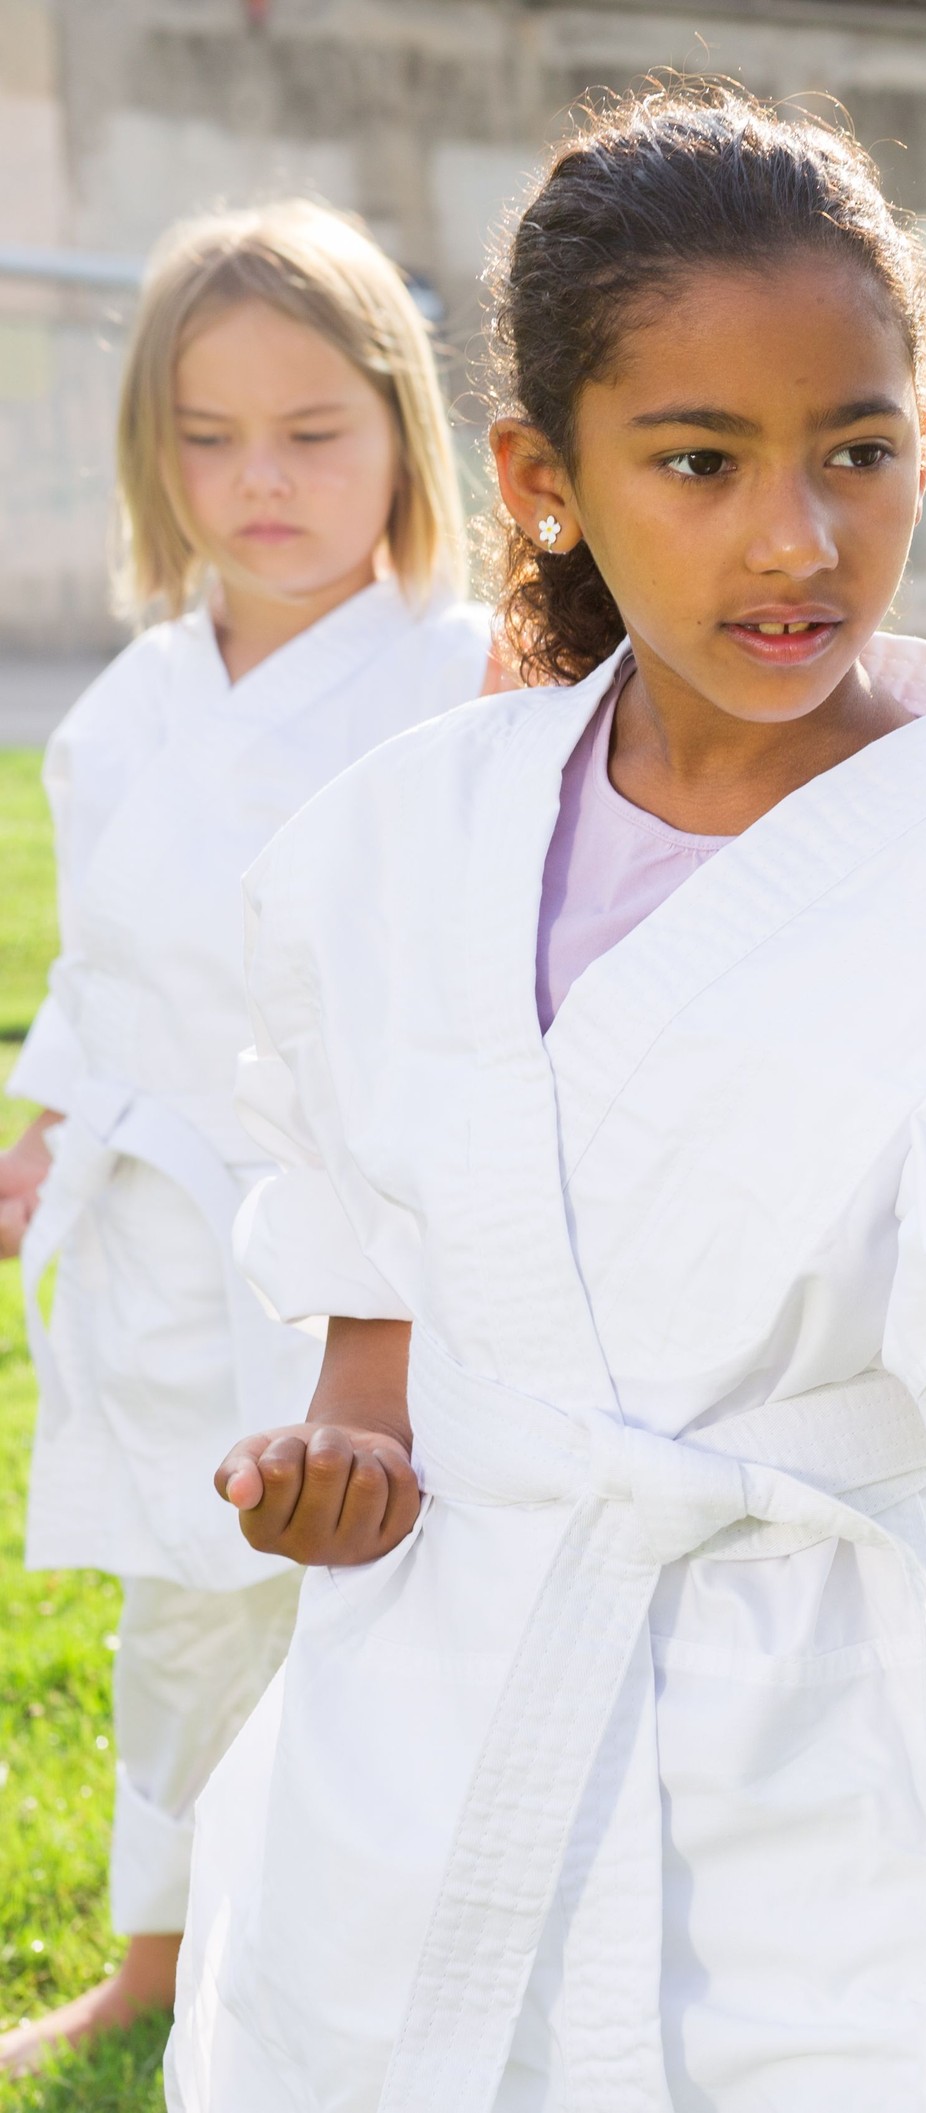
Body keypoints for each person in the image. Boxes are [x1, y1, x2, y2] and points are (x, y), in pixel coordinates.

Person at [164, 86, 926, 2112]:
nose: (797, 540)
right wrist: (341, 1441)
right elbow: (370, 1249)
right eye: (700, 461)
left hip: (820, 1759)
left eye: (859, 453)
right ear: (544, 477)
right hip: (441, 1702)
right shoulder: (402, 847)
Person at [0, 200, 495, 2071]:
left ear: (400, 431)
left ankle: (372, 1977)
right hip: (149, 1232)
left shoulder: (465, 686)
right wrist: (48, 1125)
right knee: (172, 1605)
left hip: (363, 1249)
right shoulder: (127, 709)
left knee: (368, 1614)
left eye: (310, 433)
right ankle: (157, 1949)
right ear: (149, 449)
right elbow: (102, 959)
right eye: (205, 438)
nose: (257, 480)